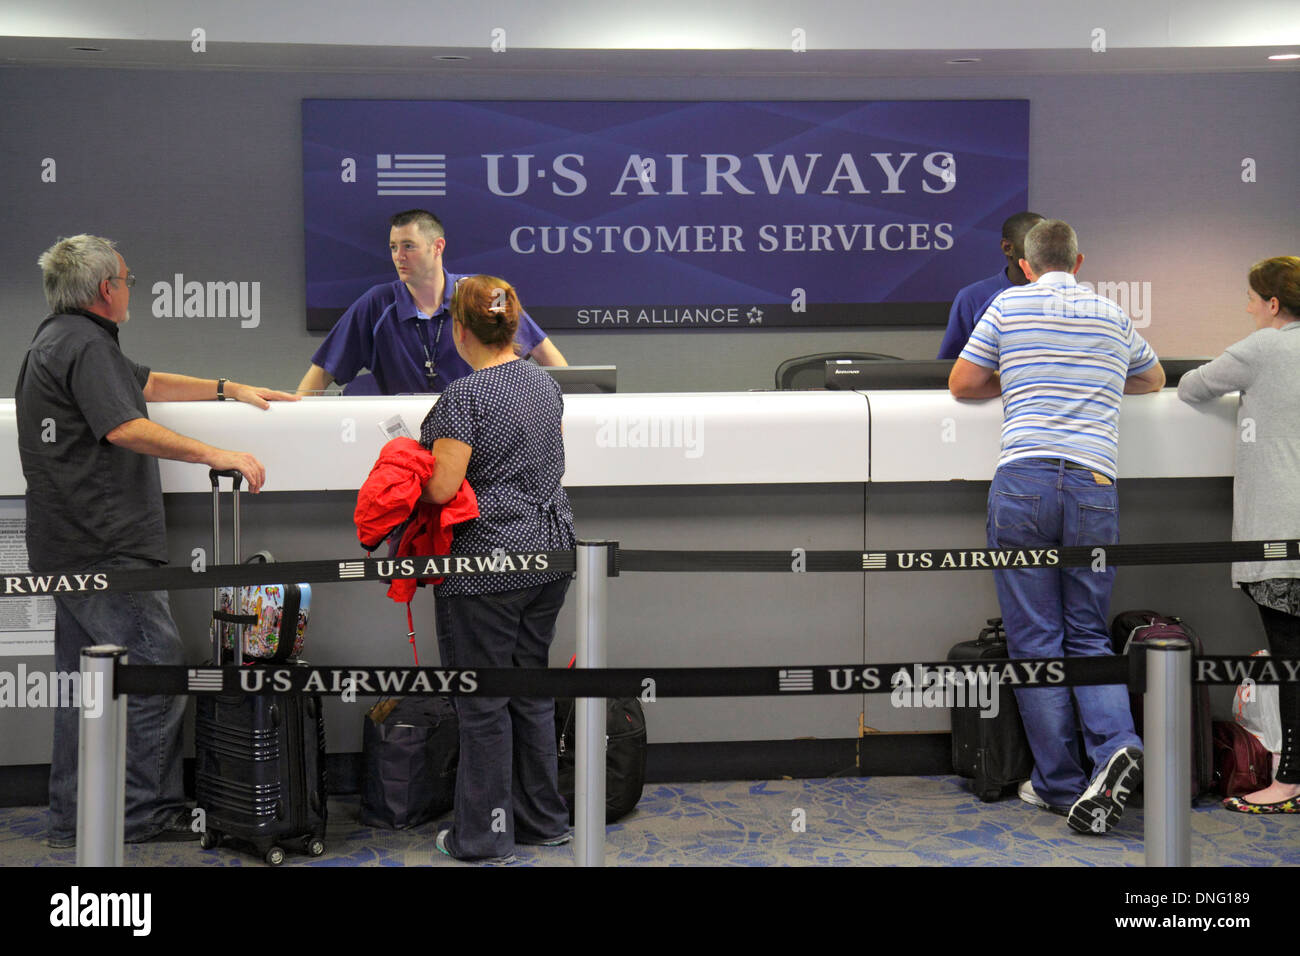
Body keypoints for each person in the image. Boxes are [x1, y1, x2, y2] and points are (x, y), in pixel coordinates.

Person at [15, 234, 297, 847]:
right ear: (106, 290)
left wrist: (228, 387)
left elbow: (145, 383)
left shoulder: (57, 341)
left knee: (84, 685)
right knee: (156, 669)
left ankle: (70, 817)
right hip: (108, 547)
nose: (131, 288)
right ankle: (144, 812)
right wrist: (214, 453)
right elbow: (124, 426)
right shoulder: (86, 346)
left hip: (65, 546)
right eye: (128, 279)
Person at [948, 219, 1165, 834]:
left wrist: (1016, 377)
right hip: (1094, 485)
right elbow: (1153, 378)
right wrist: (1095, 381)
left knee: (1036, 639)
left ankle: (1060, 784)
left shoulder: (1007, 304)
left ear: (1023, 264)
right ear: (1081, 260)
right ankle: (1116, 746)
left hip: (1025, 484)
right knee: (1088, 634)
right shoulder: (1110, 312)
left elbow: (962, 384)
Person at [418, 274, 576, 862]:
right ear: (512, 325)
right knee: (529, 691)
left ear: (459, 332)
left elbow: (442, 489)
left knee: (481, 702)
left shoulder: (464, 399)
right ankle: (543, 820)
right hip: (552, 553)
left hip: (487, 568)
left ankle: (482, 838)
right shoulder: (545, 383)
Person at [1178, 256, 1300, 813]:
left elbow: (1191, 387)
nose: (1248, 307)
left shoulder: (1265, 347)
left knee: (1292, 661)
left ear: (1274, 304)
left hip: (1281, 539)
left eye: (1252, 298)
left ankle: (1291, 781)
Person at [296, 210, 567, 395]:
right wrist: (297, 423)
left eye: (408, 246)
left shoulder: (481, 294)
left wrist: (569, 412)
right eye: (393, 247)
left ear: (437, 247)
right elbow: (319, 375)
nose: (398, 256)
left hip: (478, 436)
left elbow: (549, 357)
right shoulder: (376, 304)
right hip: (405, 442)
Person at [937, 212, 1045, 359]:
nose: (1043, 250)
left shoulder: (1064, 297)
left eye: (1047, 243)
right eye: (1034, 243)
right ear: (1007, 247)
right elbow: (950, 365)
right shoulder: (972, 298)